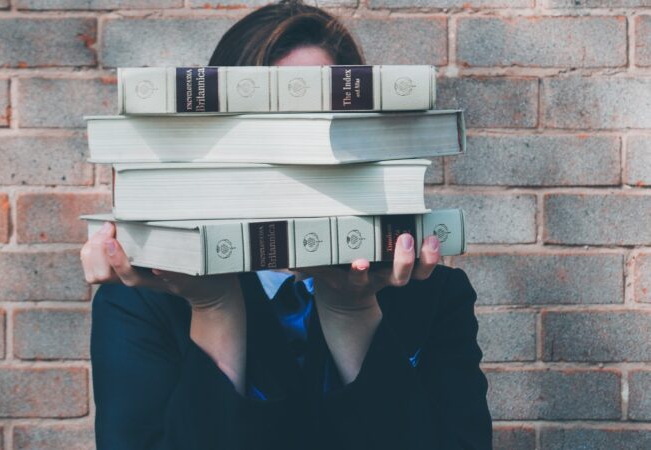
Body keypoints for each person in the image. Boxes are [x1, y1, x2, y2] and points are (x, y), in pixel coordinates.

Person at [82, 1, 492, 449]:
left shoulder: (434, 295)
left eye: (318, 125)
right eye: (267, 126)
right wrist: (214, 309)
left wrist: (352, 314)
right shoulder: (145, 302)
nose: (295, 156)